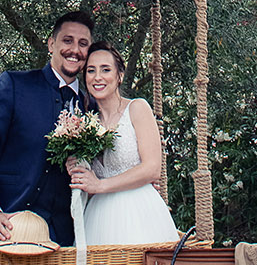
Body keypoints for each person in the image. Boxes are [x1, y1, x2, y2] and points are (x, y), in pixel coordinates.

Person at [0, 11, 94, 247]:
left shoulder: (91, 107)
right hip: (10, 226)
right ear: (51, 44)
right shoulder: (14, 85)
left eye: (83, 44)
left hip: (66, 238)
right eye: (67, 40)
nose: (75, 49)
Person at [68, 42, 179, 245]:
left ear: (119, 76)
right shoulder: (85, 124)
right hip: (98, 216)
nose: (97, 77)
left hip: (137, 212)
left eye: (105, 69)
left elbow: (153, 169)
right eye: (91, 71)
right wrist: (76, 167)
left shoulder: (137, 109)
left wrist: (100, 185)